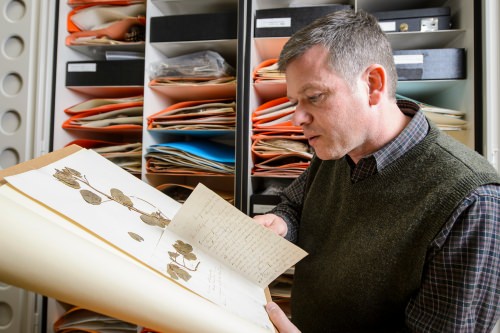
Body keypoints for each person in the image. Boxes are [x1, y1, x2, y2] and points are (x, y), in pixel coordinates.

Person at [253, 9, 500, 333]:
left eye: (313, 97)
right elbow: (296, 207)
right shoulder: (335, 149)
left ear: (373, 85)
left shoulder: (473, 201)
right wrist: (281, 223)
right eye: (295, 102)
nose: (296, 119)